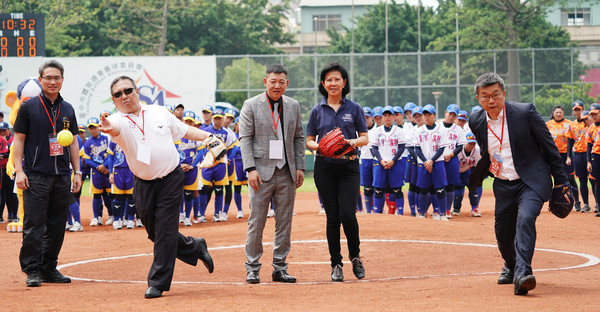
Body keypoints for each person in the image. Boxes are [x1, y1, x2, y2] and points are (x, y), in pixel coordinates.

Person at [98, 76, 214, 299]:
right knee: (155, 232)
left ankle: (157, 283)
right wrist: (107, 127)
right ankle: (195, 246)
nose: (124, 96)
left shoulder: (159, 112)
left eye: (128, 90)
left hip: (171, 178)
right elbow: (113, 128)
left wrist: (209, 137)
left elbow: (185, 131)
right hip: (142, 183)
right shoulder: (117, 120)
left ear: (137, 91)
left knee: (165, 232)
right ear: (113, 100)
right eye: (118, 94)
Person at [467, 72, 569, 296]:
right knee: (503, 234)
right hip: (503, 183)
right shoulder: (475, 120)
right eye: (485, 96)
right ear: (478, 98)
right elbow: (486, 149)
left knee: (525, 219)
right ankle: (511, 264)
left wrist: (562, 182)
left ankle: (523, 274)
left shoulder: (525, 112)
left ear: (504, 93)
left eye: (495, 95)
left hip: (531, 180)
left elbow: (550, 148)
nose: (491, 101)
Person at [13, 60, 82, 287]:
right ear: (40, 79)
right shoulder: (28, 107)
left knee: (56, 225)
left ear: (63, 80)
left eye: (57, 78)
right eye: (48, 78)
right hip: (36, 176)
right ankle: (32, 269)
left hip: (62, 175)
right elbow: (19, 141)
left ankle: (48, 268)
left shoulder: (68, 109)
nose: (53, 82)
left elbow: (72, 142)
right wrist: (20, 171)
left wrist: (77, 172)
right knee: (34, 225)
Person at [239, 63, 305, 284]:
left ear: (287, 84)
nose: (277, 85)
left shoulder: (294, 106)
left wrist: (300, 167)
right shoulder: (251, 105)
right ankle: (253, 268)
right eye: (273, 81)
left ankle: (280, 267)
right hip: (260, 173)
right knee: (256, 222)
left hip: (286, 172)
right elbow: (245, 138)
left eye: (282, 82)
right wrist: (250, 169)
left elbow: (298, 138)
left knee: (284, 222)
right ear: (265, 82)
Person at [306, 62, 368, 282]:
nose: (333, 83)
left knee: (347, 215)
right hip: (325, 167)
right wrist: (321, 146)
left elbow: (364, 137)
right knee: (332, 218)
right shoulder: (317, 110)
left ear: (344, 82)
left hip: (349, 166)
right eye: (328, 80)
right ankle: (336, 263)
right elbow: (309, 141)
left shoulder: (354, 108)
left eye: (337, 79)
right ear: (323, 84)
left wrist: (348, 142)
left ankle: (355, 256)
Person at [546, 105, 580, 210]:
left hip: (566, 155)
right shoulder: (548, 124)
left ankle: (577, 202)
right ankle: (553, 202)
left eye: (560, 112)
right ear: (553, 113)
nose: (558, 114)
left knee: (570, 179)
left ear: (563, 113)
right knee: (549, 179)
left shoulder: (569, 124)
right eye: (556, 112)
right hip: (552, 155)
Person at [83, 117, 114, 227]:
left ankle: (112, 215)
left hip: (106, 170)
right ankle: (97, 217)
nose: (92, 130)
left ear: (99, 127)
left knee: (110, 194)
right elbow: (87, 160)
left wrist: (105, 166)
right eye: (90, 128)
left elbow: (111, 154)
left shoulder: (107, 139)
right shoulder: (88, 143)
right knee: (96, 195)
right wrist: (99, 167)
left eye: (94, 127)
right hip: (96, 172)